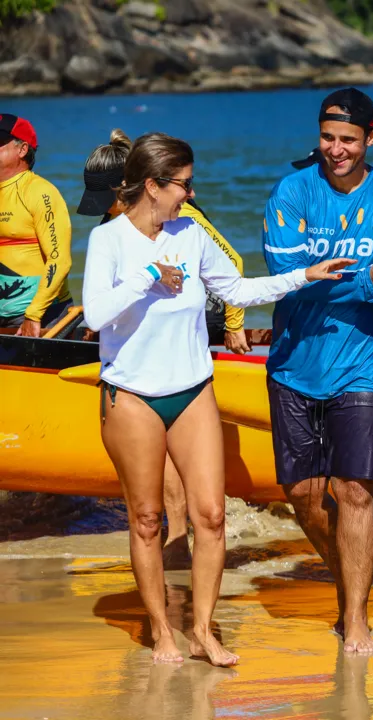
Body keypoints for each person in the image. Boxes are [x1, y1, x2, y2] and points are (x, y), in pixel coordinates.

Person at [81, 132, 351, 666]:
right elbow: (95, 315)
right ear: (154, 185)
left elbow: (238, 291)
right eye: (183, 184)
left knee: (210, 515)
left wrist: (303, 277)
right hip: (132, 395)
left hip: (192, 390)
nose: (190, 193)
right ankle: (161, 630)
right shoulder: (109, 241)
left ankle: (203, 630)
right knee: (148, 520)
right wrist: (147, 276)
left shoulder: (192, 233)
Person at [262, 88, 373, 655]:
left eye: (348, 140)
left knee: (354, 490)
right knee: (303, 495)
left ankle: (354, 616)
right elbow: (288, 273)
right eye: (328, 138)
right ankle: (350, 575)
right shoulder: (291, 192)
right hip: (293, 364)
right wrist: (366, 280)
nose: (336, 149)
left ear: (371, 139)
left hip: (368, 363)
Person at [77, 129, 253, 570]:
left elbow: (233, 267)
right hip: (142, 354)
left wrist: (234, 325)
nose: (108, 211)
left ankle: (179, 534)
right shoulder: (113, 231)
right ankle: (174, 534)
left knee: (176, 440)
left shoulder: (186, 218)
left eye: (110, 200)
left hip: (197, 316)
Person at [0, 113, 72, 336]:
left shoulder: (40, 192)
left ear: (22, 150)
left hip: (41, 317)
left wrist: (34, 314)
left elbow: (59, 259)